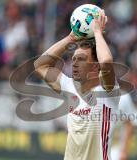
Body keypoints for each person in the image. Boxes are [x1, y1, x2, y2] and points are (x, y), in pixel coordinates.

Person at [34, 9, 121, 160]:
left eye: (80, 59)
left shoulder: (107, 91)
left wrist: (98, 32)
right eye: (73, 59)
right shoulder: (70, 87)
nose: (74, 63)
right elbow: (40, 65)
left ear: (95, 66)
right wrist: (70, 38)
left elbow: (106, 62)